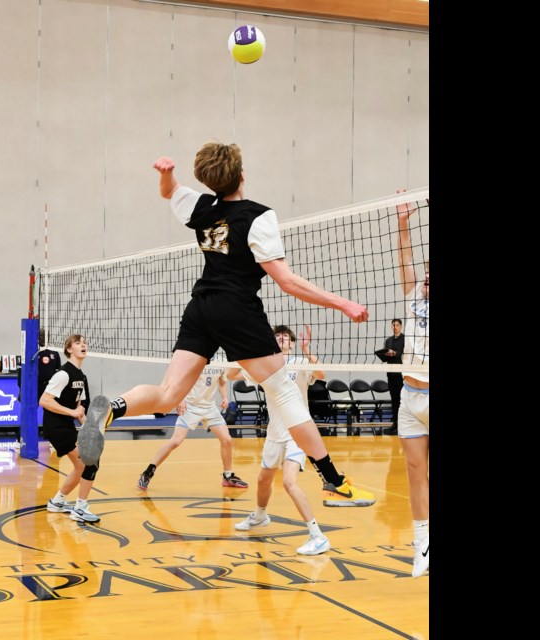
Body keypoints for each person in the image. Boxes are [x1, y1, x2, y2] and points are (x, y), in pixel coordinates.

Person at [78, 142, 375, 508]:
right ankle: (334, 482)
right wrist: (342, 302)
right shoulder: (258, 216)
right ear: (242, 175)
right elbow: (286, 281)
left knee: (169, 393)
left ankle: (113, 409)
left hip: (200, 307)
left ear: (210, 180)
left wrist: (168, 173)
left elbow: (169, 191)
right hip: (237, 309)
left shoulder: (201, 207)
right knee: (284, 392)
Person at [230, 324, 332, 555]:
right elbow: (230, 375)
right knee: (263, 480)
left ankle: (317, 535)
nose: (282, 340)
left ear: (292, 343)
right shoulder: (265, 367)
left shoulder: (301, 363)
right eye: (277, 337)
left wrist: (307, 350)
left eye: (286, 337)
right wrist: (247, 353)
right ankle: (260, 515)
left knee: (289, 482)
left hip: (297, 433)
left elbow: (322, 375)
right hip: (274, 434)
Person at [136, 363, 248, 491]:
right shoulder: (195, 360)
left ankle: (228, 477)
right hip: (190, 407)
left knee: (227, 440)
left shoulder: (220, 362)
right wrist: (180, 400)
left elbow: (222, 382)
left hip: (210, 408)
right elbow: (179, 383)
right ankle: (148, 472)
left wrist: (225, 398)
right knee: (176, 441)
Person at [396, 189, 429, 577]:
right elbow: (404, 256)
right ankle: (422, 542)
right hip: (409, 396)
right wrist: (403, 222)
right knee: (413, 470)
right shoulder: (412, 298)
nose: (425, 279)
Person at [40, 334, 102, 523]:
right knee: (90, 463)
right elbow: (44, 400)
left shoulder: (81, 376)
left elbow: (79, 410)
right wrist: (72, 413)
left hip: (66, 426)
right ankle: (80, 508)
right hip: (56, 427)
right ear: (69, 349)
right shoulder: (63, 374)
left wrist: (90, 428)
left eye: (84, 343)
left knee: (81, 466)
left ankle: (57, 502)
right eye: (78, 343)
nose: (83, 345)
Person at [382, 318, 405, 435]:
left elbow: (406, 355)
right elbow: (385, 357)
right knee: (394, 400)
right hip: (391, 374)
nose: (395, 327)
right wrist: (385, 354)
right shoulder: (388, 341)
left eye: (397, 325)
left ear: (400, 326)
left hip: (401, 374)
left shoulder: (405, 339)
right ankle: (395, 423)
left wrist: (395, 353)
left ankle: (402, 424)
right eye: (393, 325)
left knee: (402, 400)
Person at [36, 328, 62, 403]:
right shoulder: (33, 351)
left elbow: (58, 369)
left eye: (45, 336)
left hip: (50, 386)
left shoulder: (54, 351)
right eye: (41, 336)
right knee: (32, 408)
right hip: (36, 386)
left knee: (49, 409)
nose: (42, 338)